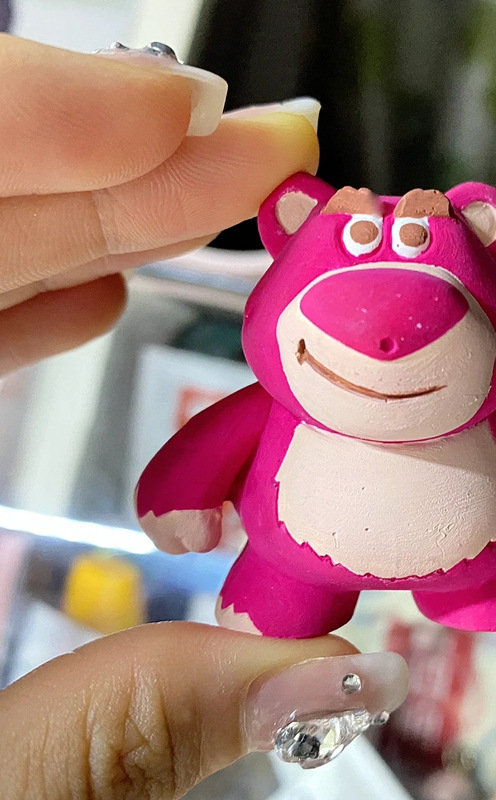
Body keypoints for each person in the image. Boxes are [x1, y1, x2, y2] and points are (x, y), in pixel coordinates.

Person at [0, 34, 407, 799]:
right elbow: (211, 444)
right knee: (280, 607)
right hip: (291, 561)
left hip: (463, 552)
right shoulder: (281, 398)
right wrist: (178, 496)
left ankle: (478, 591)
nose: (383, 335)